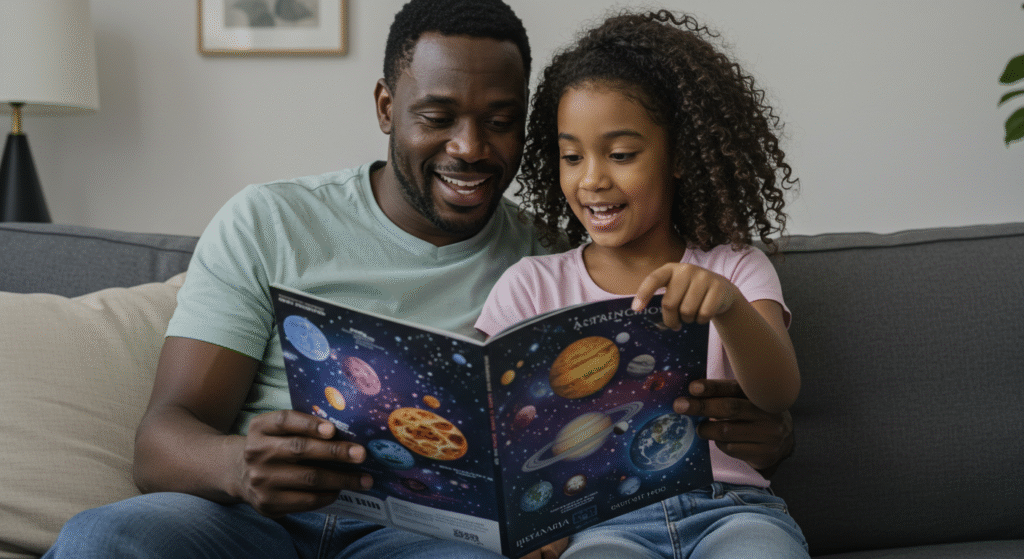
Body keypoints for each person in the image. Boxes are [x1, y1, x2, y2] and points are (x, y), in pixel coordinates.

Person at [42, 2, 794, 558]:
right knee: (103, 538)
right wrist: (238, 466)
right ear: (385, 107)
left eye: (500, 121)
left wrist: (763, 428)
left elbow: (700, 393)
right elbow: (161, 438)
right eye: (437, 116)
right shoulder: (269, 220)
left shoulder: (553, 253)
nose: (469, 148)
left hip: (426, 539)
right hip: (250, 518)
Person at [475, 9, 807, 558]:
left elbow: (778, 393)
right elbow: (498, 434)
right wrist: (530, 521)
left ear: (677, 155)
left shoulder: (735, 267)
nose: (592, 179)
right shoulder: (530, 286)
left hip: (731, 510)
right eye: (571, 156)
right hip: (601, 526)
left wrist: (727, 306)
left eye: (621, 154)